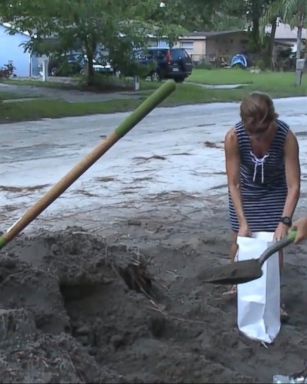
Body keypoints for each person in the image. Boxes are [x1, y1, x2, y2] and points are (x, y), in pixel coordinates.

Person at [224, 91, 300, 295]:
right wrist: (243, 222)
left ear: (272, 119)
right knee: (240, 240)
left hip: (275, 191)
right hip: (245, 191)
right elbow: (233, 183)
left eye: (263, 131)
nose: (257, 137)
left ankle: (274, 295)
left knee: (274, 244)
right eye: (252, 132)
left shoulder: (286, 137)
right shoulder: (234, 137)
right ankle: (236, 285)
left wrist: (285, 221)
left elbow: (293, 185)